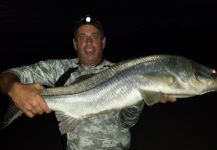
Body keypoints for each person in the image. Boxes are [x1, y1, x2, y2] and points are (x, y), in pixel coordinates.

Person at [0, 15, 176, 150]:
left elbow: (127, 123)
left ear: (103, 42)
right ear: (75, 44)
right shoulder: (59, 69)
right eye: (82, 36)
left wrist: (141, 95)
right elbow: (7, 76)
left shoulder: (124, 72)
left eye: (95, 35)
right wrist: (14, 88)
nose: (89, 41)